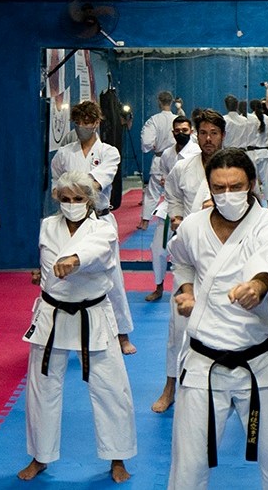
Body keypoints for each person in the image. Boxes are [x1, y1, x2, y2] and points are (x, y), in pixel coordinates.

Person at [167, 148, 268, 489]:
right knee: (188, 468)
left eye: (236, 186)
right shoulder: (193, 226)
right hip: (203, 363)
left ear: (252, 183)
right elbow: (180, 259)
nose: (227, 195)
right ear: (209, 187)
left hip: (259, 363)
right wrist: (187, 290)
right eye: (219, 188)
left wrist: (257, 286)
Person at [18, 170, 136, 483]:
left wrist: (74, 259)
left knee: (111, 387)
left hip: (92, 314)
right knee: (42, 389)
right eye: (66, 198)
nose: (72, 204)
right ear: (57, 199)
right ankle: (40, 456)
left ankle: (118, 457)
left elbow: (97, 251)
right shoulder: (48, 225)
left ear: (90, 200)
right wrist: (43, 274)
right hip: (51, 314)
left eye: (78, 198)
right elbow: (46, 264)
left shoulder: (103, 228)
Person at [151, 109, 227, 413]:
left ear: (223, 136)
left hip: (226, 258)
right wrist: (178, 215)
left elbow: (252, 201)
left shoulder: (233, 166)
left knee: (228, 326)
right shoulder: (183, 167)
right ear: (197, 134)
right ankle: (170, 386)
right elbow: (171, 195)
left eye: (214, 133)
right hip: (190, 258)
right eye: (203, 133)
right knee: (178, 326)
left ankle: (224, 387)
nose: (208, 139)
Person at [50, 100, 135, 355]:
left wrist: (69, 189)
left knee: (113, 277)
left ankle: (122, 334)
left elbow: (95, 185)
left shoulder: (109, 152)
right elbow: (56, 185)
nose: (83, 126)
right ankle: (66, 334)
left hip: (100, 219)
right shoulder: (64, 154)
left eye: (88, 121)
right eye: (78, 122)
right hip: (71, 221)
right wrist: (63, 194)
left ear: (97, 122)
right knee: (69, 276)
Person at [147, 114, 201, 303]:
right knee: (158, 248)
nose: (181, 133)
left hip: (194, 206)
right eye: (177, 131)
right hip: (170, 205)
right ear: (172, 132)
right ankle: (159, 286)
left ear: (191, 131)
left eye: (184, 130)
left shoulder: (197, 153)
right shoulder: (167, 154)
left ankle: (194, 288)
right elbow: (164, 177)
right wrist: (165, 181)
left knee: (193, 250)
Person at [138, 91, 181, 231]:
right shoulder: (178, 119)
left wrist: (152, 146)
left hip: (160, 158)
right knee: (177, 191)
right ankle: (179, 219)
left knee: (153, 192)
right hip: (177, 158)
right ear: (171, 102)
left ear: (159, 102)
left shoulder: (154, 120)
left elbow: (146, 142)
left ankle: (145, 221)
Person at [246, 83, 268, 210]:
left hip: (252, 152)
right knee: (266, 180)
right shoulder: (267, 119)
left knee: (254, 180)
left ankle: (258, 204)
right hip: (264, 152)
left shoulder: (249, 119)